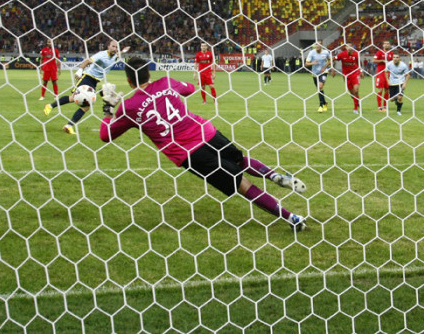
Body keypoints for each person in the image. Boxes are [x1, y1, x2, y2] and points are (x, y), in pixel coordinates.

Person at [99, 57, 308, 231]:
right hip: (206, 131)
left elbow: (105, 135)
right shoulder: (166, 82)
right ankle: (273, 175)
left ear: (128, 80)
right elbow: (190, 89)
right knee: (240, 160)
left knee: (242, 185)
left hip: (189, 152)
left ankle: (291, 218)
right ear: (149, 74)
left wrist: (109, 107)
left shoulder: (128, 107)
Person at [44, 39, 129, 135]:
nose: (115, 49)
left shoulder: (115, 56)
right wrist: (80, 70)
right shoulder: (101, 55)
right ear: (108, 46)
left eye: (117, 47)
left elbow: (118, 54)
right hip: (87, 78)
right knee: (77, 100)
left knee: (83, 105)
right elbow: (88, 61)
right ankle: (57, 113)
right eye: (113, 46)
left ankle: (66, 124)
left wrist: (123, 51)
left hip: (94, 82)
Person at [332, 43, 361, 114]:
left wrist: (361, 71)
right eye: (347, 46)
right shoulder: (342, 54)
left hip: (355, 73)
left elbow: (358, 63)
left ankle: (355, 109)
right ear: (345, 47)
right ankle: (357, 102)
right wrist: (333, 69)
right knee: (352, 94)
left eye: (350, 46)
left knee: (356, 90)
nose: (348, 48)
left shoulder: (356, 54)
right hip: (346, 75)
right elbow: (333, 59)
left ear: (352, 47)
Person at [304, 40, 331, 113]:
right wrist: (313, 63)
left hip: (323, 72)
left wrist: (325, 67)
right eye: (316, 44)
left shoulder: (325, 52)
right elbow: (306, 64)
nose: (317, 46)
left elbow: (330, 60)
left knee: (320, 86)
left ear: (321, 45)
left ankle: (321, 106)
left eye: (319, 44)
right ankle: (325, 103)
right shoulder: (311, 52)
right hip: (315, 73)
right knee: (319, 90)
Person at [373, 41, 393, 112]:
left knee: (387, 90)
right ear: (383, 45)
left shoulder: (391, 53)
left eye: (388, 44)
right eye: (385, 44)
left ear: (390, 45)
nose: (387, 45)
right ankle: (379, 107)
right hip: (381, 73)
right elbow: (374, 60)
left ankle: (385, 106)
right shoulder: (379, 52)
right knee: (380, 89)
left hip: (388, 73)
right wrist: (382, 60)